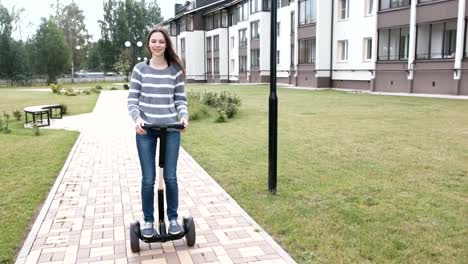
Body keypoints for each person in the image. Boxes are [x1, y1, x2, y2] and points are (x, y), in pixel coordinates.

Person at [127, 27, 189, 238]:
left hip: (171, 129)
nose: (157, 45)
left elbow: (180, 99)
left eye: (161, 41)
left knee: (170, 177)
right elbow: (132, 100)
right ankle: (148, 221)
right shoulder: (140, 70)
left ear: (166, 44)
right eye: (153, 41)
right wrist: (137, 119)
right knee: (148, 179)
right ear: (149, 44)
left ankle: (172, 219)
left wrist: (183, 116)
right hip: (146, 130)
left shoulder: (175, 71)